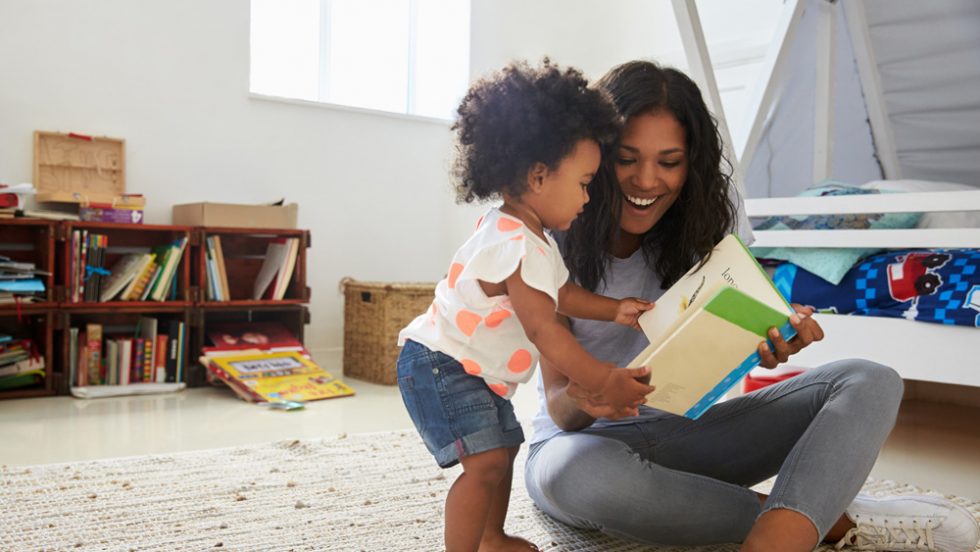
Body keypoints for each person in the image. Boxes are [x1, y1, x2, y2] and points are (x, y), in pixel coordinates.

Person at [524, 60, 980, 552]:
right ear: (596, 156)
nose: (646, 180)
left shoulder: (708, 225)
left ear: (691, 163)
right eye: (627, 159)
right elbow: (560, 411)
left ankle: (784, 532)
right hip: (581, 444)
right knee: (576, 476)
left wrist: (766, 344)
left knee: (871, 380)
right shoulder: (549, 235)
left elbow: (722, 353)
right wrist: (586, 397)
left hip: (688, 435)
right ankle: (825, 522)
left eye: (669, 161)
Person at [395, 60, 658, 552]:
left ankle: (491, 539)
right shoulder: (514, 243)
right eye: (583, 183)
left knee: (506, 446)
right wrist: (603, 379)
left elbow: (562, 296)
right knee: (487, 462)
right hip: (441, 365)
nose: (587, 198)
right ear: (539, 176)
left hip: (471, 368)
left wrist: (614, 308)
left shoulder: (531, 238)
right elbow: (545, 330)